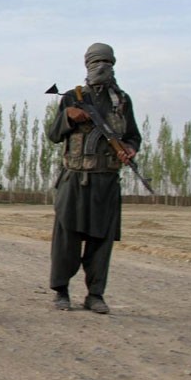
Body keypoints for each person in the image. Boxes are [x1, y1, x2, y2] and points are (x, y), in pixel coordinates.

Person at [48, 42, 142, 314]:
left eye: (107, 63)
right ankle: (61, 291)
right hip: (74, 178)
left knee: (102, 241)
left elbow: (133, 135)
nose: (102, 67)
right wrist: (68, 117)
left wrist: (130, 149)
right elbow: (53, 135)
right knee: (66, 237)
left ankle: (95, 294)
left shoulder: (122, 101)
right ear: (87, 65)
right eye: (96, 62)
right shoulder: (71, 97)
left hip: (106, 180)